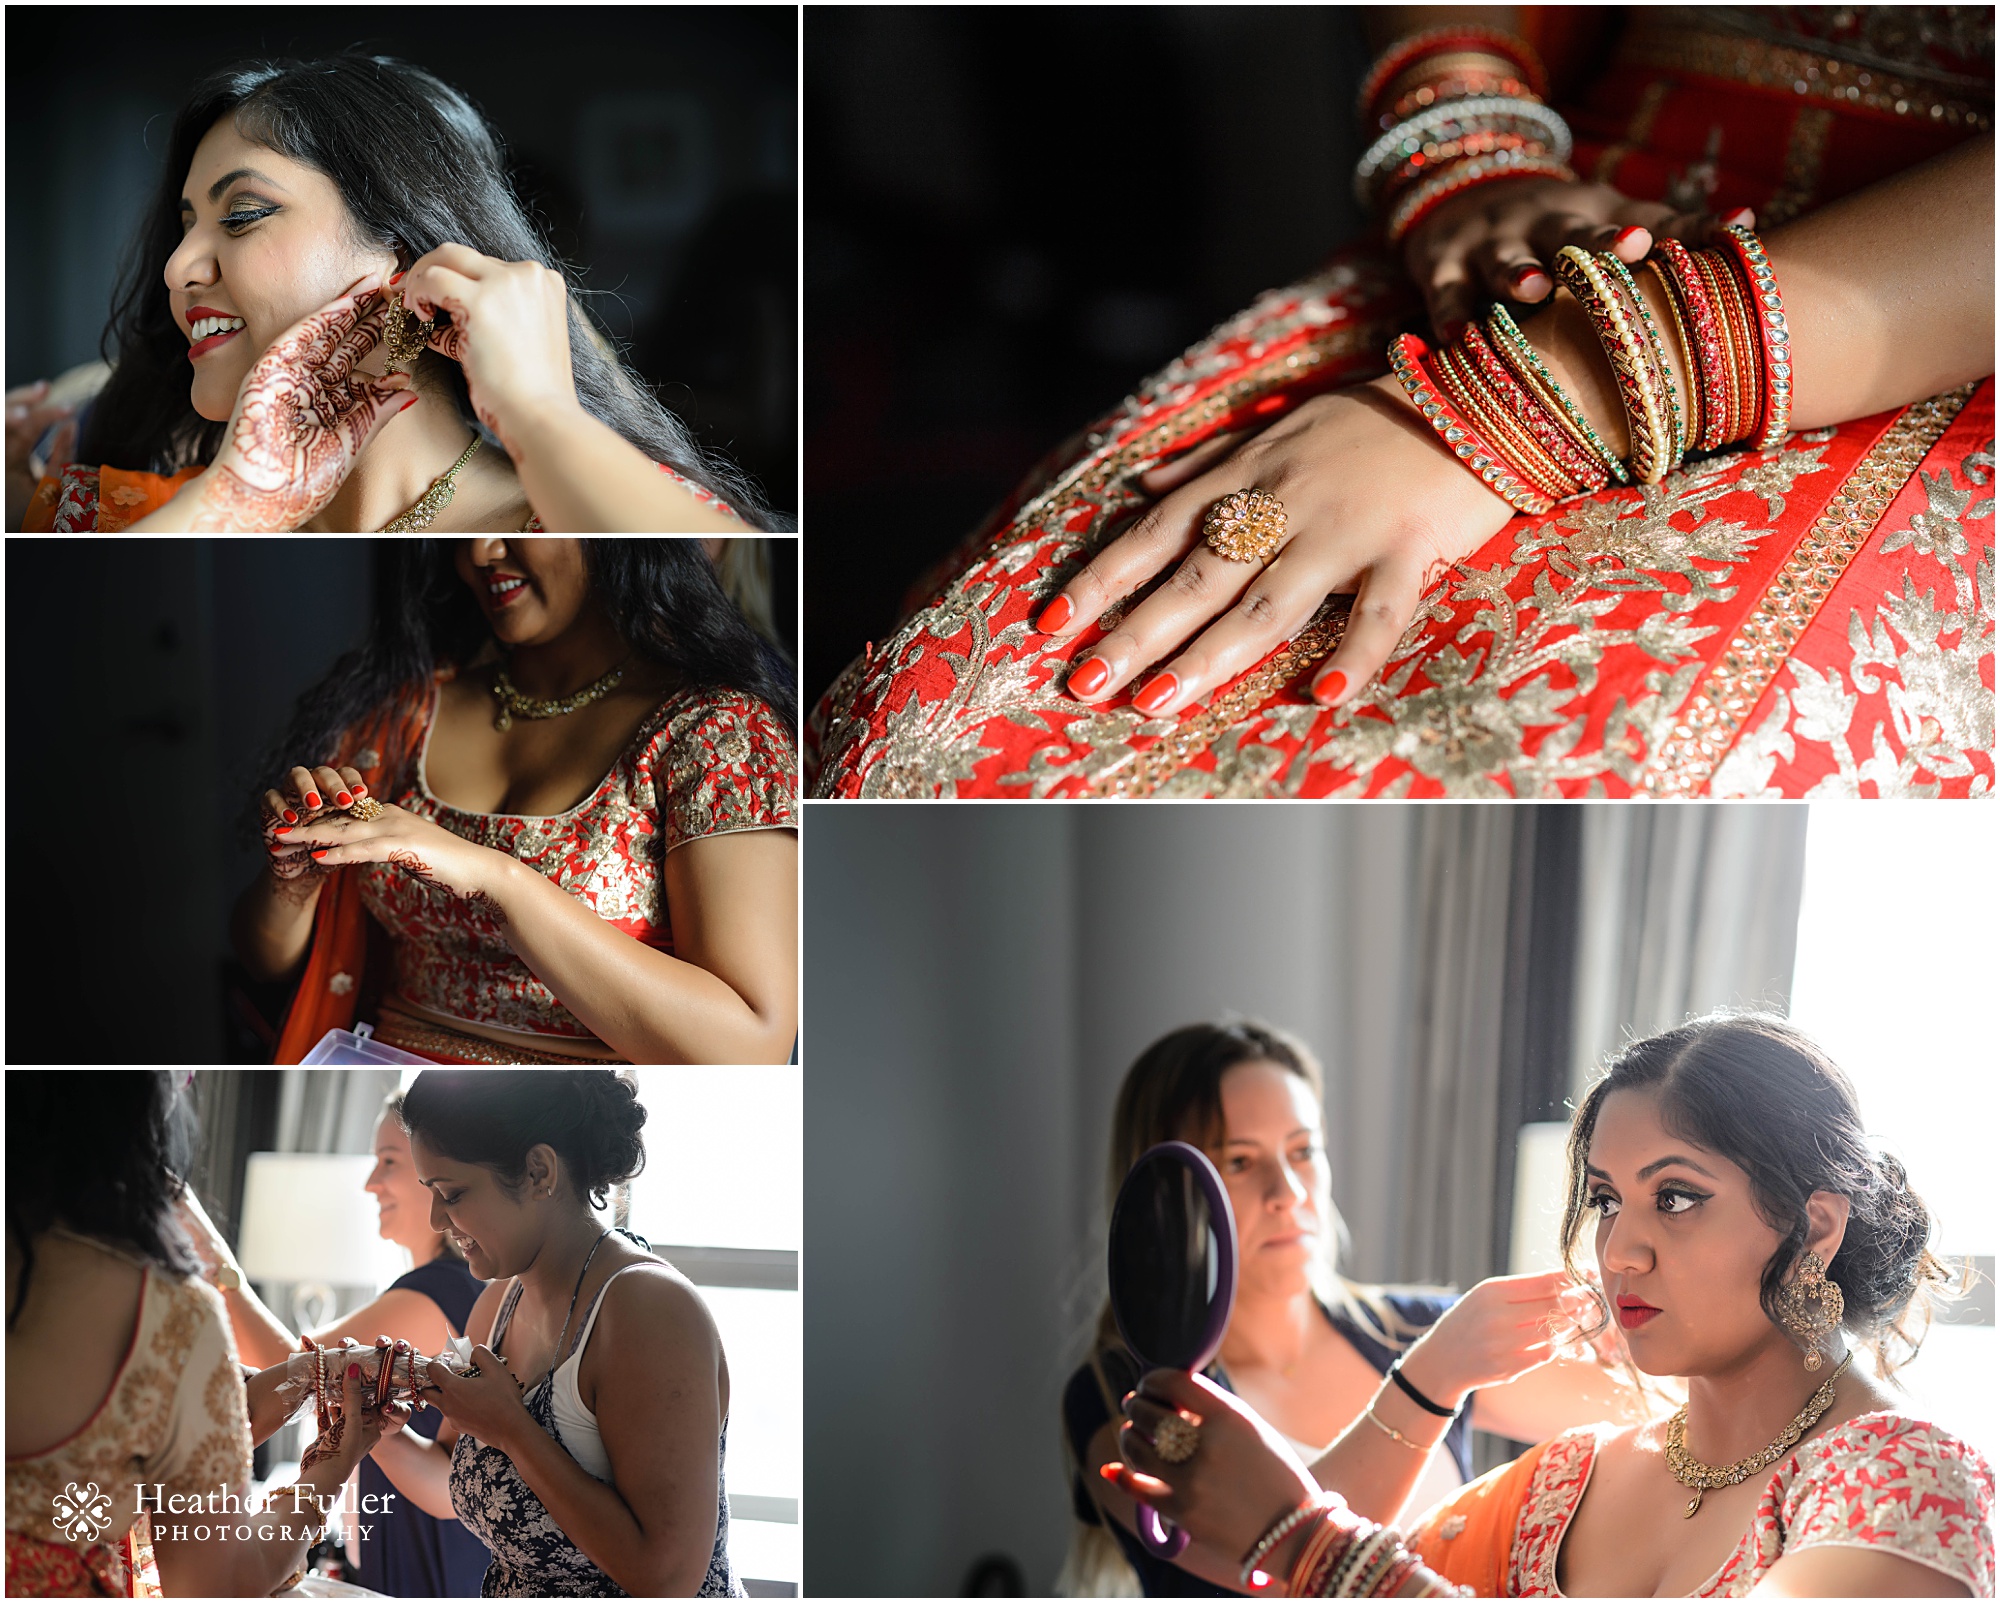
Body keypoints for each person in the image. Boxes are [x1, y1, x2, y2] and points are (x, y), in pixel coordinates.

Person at [808, 6, 1993, 799]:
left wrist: (1534, 401)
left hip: (1918, 303)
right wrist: (1465, 141)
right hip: (1539, 214)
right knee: (923, 728)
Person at [1105, 1014, 1995, 1598]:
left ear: (1816, 1226)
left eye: (1676, 1196)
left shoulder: (1904, 1480)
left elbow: (1324, 1555)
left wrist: (1306, 1540)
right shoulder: (1555, 1489)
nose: (1621, 1250)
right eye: (1607, 1200)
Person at [7, 52, 782, 533]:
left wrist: (537, 413)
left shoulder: (569, 528)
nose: (178, 267)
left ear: (407, 257)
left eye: (241, 215)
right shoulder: (135, 512)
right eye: (184, 226)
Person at [1063, 1021, 1638, 1596]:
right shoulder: (1125, 1394)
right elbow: (1275, 1572)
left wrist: (1644, 1334)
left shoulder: (1416, 1328)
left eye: (1303, 1150)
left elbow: (1650, 1413)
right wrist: (1428, 1381)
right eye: (1239, 1161)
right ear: (1165, 1192)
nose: (1287, 1189)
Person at [230, 538, 799, 1065]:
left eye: (519, 517)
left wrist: (497, 881)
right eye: (469, 523)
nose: (481, 550)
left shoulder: (717, 732)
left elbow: (751, 1046)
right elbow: (267, 962)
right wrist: (294, 884)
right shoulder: (403, 715)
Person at [5, 1071, 407, 1597]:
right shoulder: (161, 1313)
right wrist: (329, 1469)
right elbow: (218, 1585)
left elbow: (170, 1415)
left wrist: (308, 1375)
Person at [362, 1071, 744, 1596]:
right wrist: (377, 1430)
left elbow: (668, 1579)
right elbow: (453, 1486)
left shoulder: (648, 1310)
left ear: (540, 1171)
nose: (435, 1220)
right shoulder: (498, 1304)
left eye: (451, 1192)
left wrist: (514, 1430)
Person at [177, 1088, 492, 1596]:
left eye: (388, 1161)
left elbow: (293, 1372)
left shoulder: (436, 1291)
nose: (371, 1183)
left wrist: (217, 1264)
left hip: (424, 1553)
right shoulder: (447, 1287)